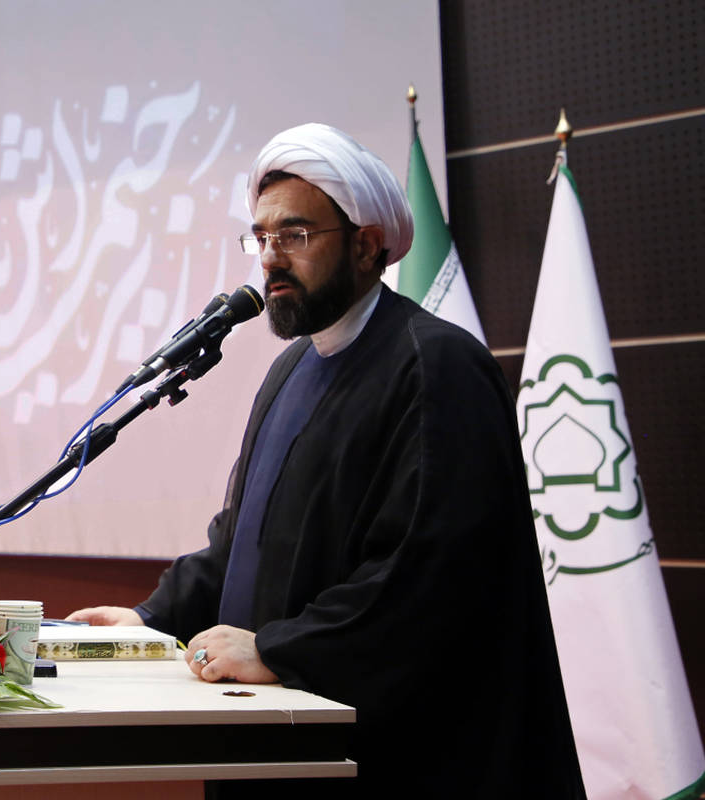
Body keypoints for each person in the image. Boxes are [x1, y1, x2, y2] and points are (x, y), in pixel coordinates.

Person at [69, 123, 586, 798]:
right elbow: (242, 542)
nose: (271, 259)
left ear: (367, 245)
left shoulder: (436, 366)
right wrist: (150, 619)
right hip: (279, 739)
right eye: (261, 238)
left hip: (403, 756)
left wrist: (279, 650)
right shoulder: (291, 371)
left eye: (296, 235)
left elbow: (429, 577)